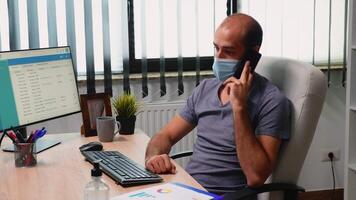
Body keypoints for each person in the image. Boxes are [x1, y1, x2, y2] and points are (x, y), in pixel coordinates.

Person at [145, 13, 291, 196]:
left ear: (252, 54)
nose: (218, 57)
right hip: (188, 189)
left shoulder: (272, 101)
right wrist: (154, 157)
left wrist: (239, 107)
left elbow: (256, 177)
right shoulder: (206, 88)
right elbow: (165, 135)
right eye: (216, 48)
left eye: (228, 51)